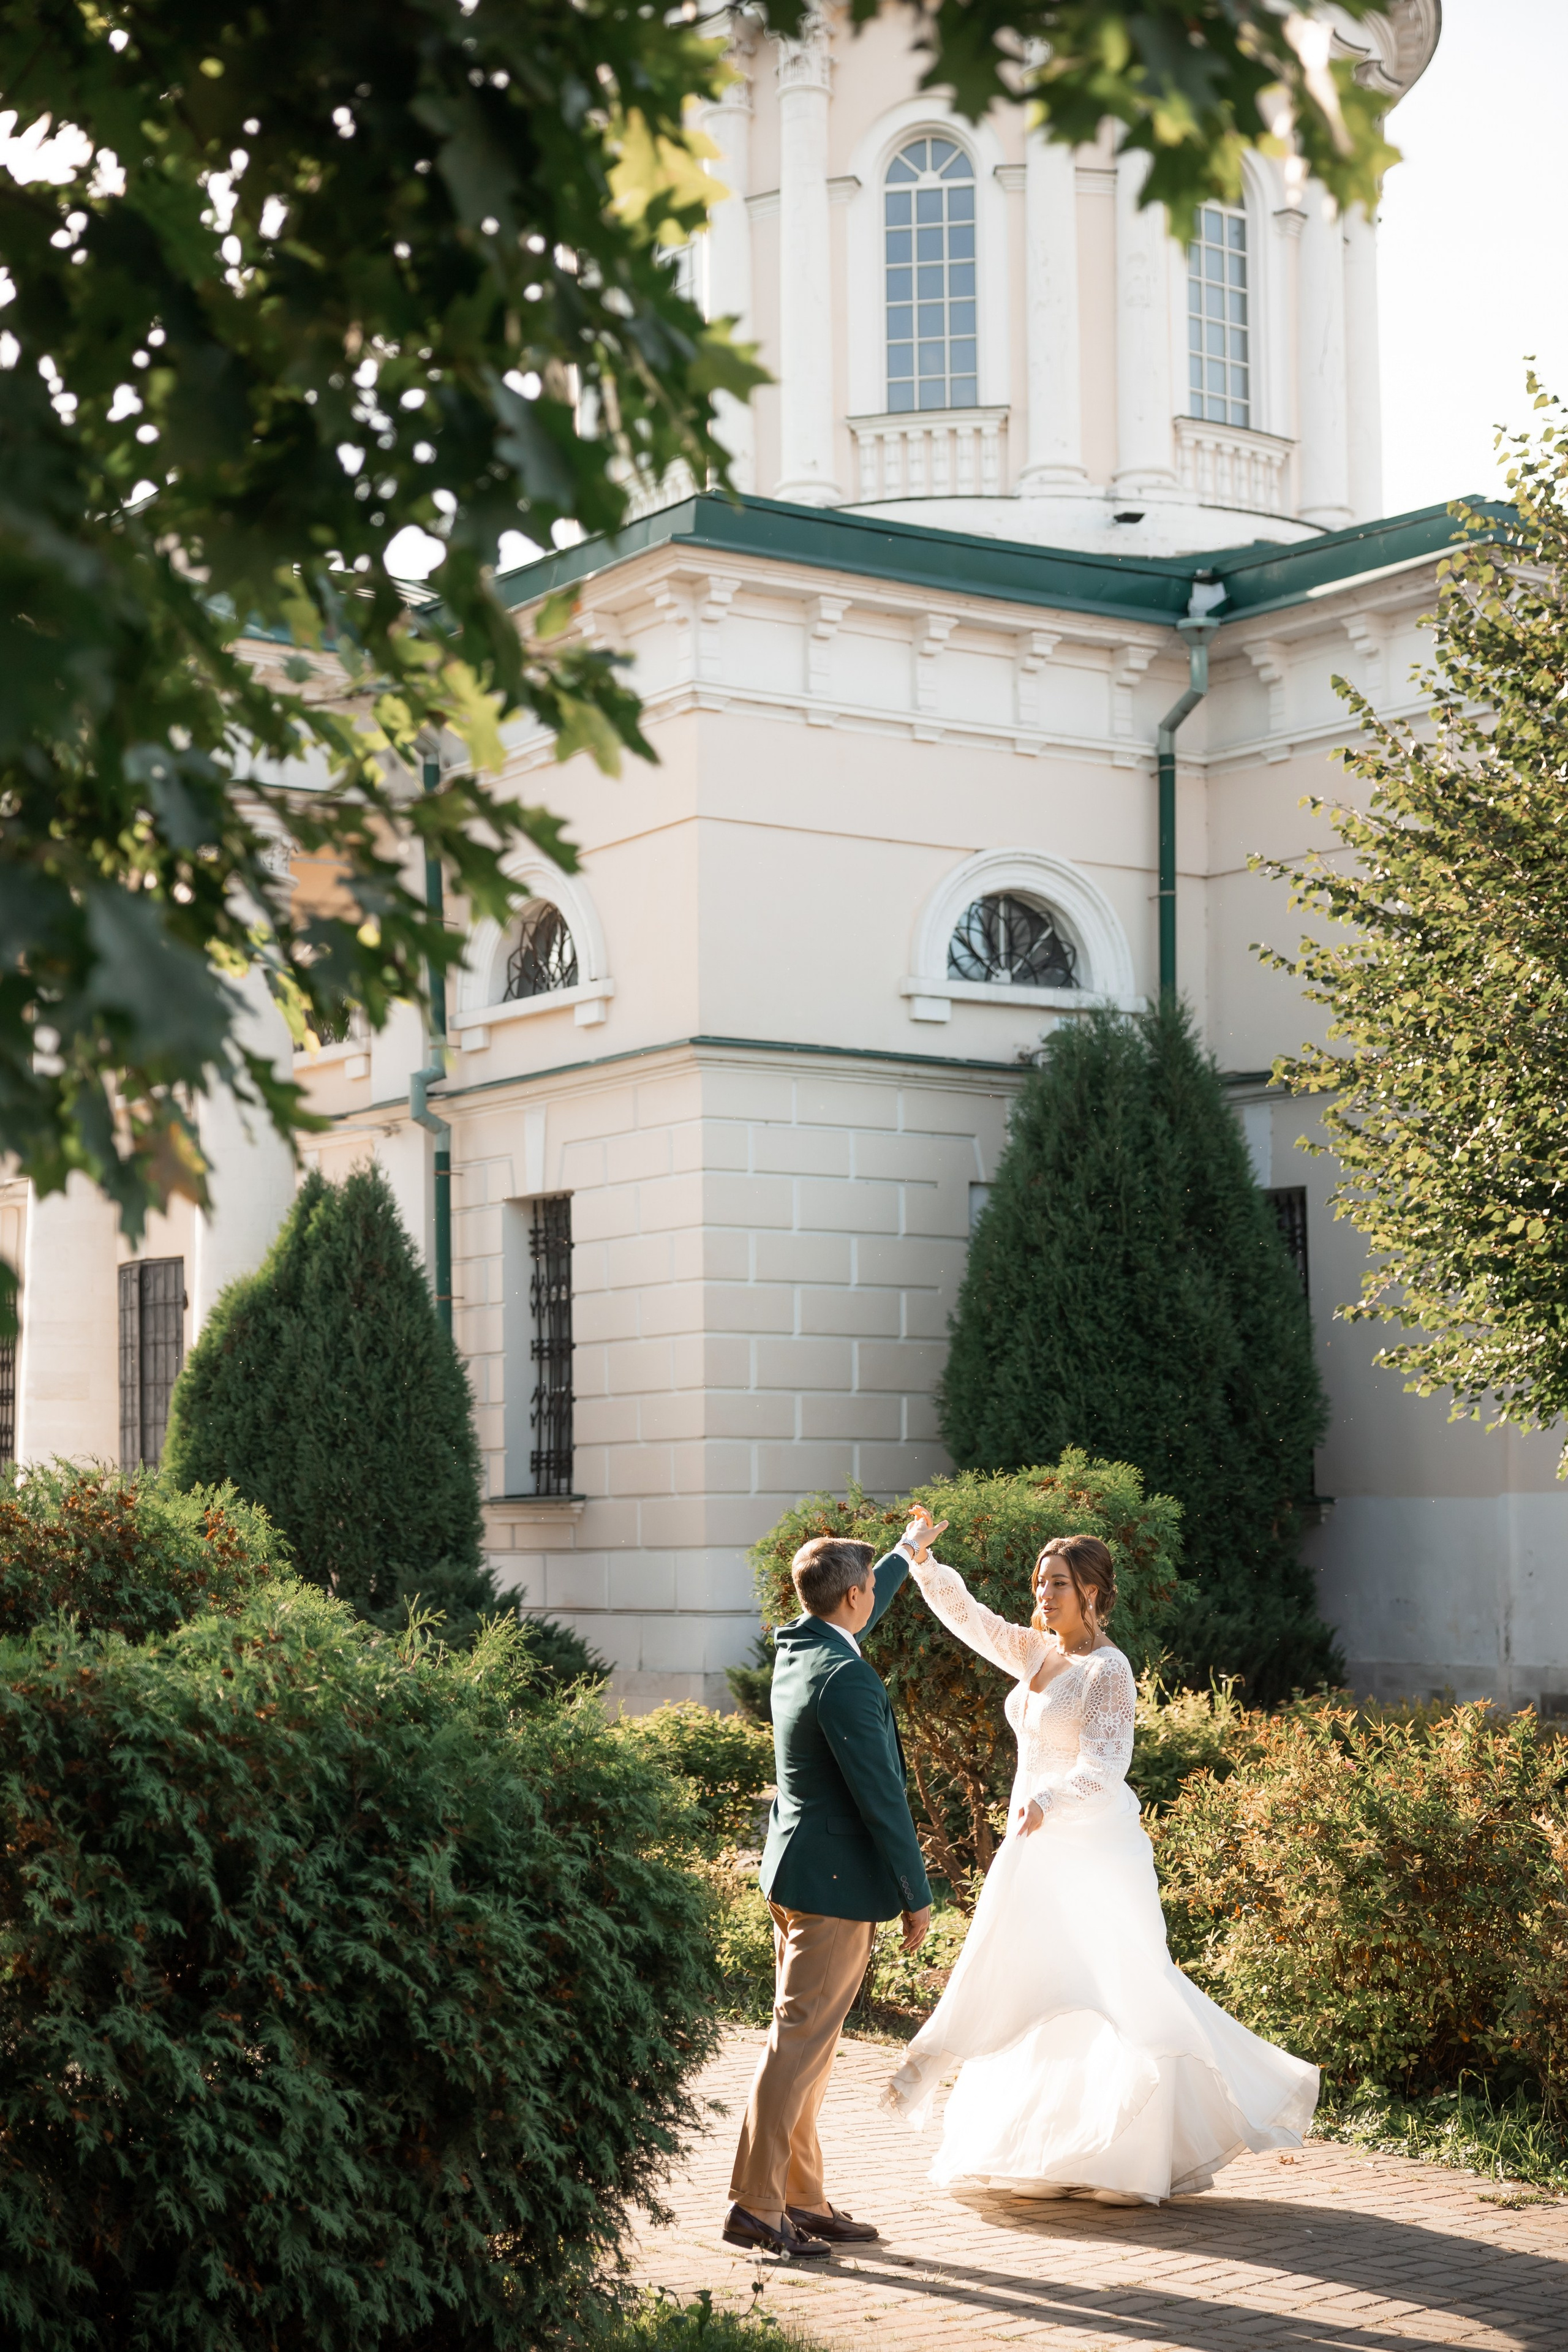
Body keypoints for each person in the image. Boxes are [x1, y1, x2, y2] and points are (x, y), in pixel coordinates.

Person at [883, 1511, 1319, 2205]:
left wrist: (1049, 1799)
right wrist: (922, 1564)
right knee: (1038, 1982)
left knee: (1112, 1984)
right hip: (1036, 1846)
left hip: (1091, 1844)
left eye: (1057, 1583)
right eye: (1039, 1583)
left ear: (1092, 1592)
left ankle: (1123, 2155)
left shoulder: (1108, 1671)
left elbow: (1107, 1762)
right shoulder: (1034, 1652)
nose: (1043, 1595)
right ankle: (1049, 2151)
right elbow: (970, 1619)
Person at [725, 1523, 935, 2260]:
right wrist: (916, 1892)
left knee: (805, 2046)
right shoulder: (846, 1679)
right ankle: (757, 2205)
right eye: (869, 1587)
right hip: (835, 1887)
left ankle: (800, 2198)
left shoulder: (802, 1647)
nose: (871, 1599)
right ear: (850, 1595)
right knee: (797, 2046)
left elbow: (854, 1612)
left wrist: (903, 1554)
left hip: (794, 1874)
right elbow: (881, 1796)